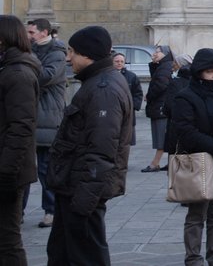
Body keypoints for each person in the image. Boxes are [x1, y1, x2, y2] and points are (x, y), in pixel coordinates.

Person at [46, 25, 133, 266]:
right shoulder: (96, 83)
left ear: (88, 54)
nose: (67, 57)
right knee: (63, 254)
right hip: (73, 188)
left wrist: (84, 201)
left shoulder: (103, 89)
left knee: (86, 258)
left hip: (82, 193)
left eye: (72, 51)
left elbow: (102, 150)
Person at [166, 48, 213, 266]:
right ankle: (193, 258)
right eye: (210, 72)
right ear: (199, 72)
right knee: (197, 215)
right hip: (199, 163)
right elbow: (186, 131)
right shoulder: (185, 97)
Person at [0, 15, 41, 264]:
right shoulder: (8, 69)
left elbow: (21, 127)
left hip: (9, 170)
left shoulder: (18, 74)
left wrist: (6, 173)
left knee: (8, 241)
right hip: (7, 165)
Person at [23, 18, 67, 229]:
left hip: (47, 119)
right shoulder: (30, 50)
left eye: (32, 32)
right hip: (28, 118)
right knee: (21, 169)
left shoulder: (57, 52)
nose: (28, 36)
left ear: (44, 32)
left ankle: (50, 210)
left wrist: (26, 58)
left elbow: (46, 76)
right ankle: (18, 211)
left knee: (46, 170)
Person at [142, 44, 174, 172]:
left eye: (158, 52)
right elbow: (156, 78)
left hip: (161, 105)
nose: (155, 54)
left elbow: (160, 84)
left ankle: (155, 163)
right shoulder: (162, 66)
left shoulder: (165, 67)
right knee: (161, 135)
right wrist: (154, 64)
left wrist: (149, 96)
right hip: (159, 105)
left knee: (161, 136)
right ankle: (170, 162)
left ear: (165, 54)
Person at [113, 52, 143, 145]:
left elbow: (138, 93)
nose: (119, 63)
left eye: (122, 61)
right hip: (113, 111)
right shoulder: (107, 75)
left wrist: (131, 106)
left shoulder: (131, 76)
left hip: (127, 113)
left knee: (126, 142)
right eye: (117, 61)